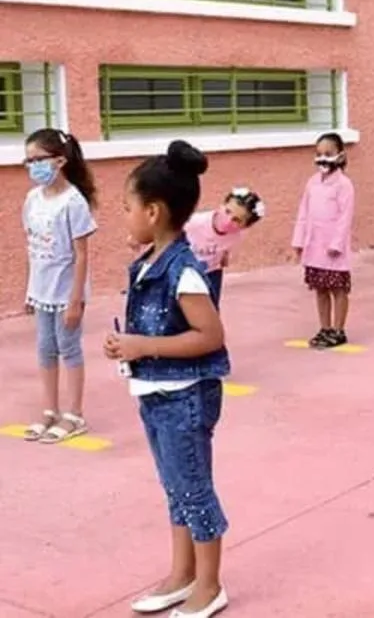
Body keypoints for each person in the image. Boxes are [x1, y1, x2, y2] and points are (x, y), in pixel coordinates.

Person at [105, 140, 230, 617]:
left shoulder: (183, 271)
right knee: (175, 488)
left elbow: (210, 336)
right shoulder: (148, 264)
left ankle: (210, 584)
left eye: (127, 207)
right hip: (156, 393)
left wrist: (143, 346)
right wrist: (126, 345)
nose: (125, 216)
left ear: (153, 211)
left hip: (185, 398)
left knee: (194, 488)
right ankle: (183, 574)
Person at [20, 128, 97, 444]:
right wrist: (29, 290)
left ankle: (74, 414)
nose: (32, 166)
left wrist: (75, 299)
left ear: (60, 160)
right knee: (45, 348)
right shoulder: (32, 199)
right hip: (42, 291)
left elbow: (81, 255)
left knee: (69, 348)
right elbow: (31, 245)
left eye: (38, 159)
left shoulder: (73, 202)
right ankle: (49, 410)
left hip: (66, 291)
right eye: (28, 161)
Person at [292, 132, 355, 348]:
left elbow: (345, 217)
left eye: (328, 153)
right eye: (319, 154)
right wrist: (299, 240)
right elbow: (304, 212)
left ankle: (338, 330)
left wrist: (336, 243)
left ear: (340, 155)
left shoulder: (344, 185)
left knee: (338, 289)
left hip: (333, 248)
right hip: (314, 246)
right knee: (320, 289)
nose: (323, 158)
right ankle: (325, 327)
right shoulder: (312, 183)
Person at [183, 187, 265, 307]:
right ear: (222, 205)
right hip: (184, 271)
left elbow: (225, 246)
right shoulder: (194, 222)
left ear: (245, 226)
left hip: (212, 272)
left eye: (237, 220)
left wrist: (224, 256)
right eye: (227, 211)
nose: (229, 220)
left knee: (211, 307)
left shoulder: (237, 235)